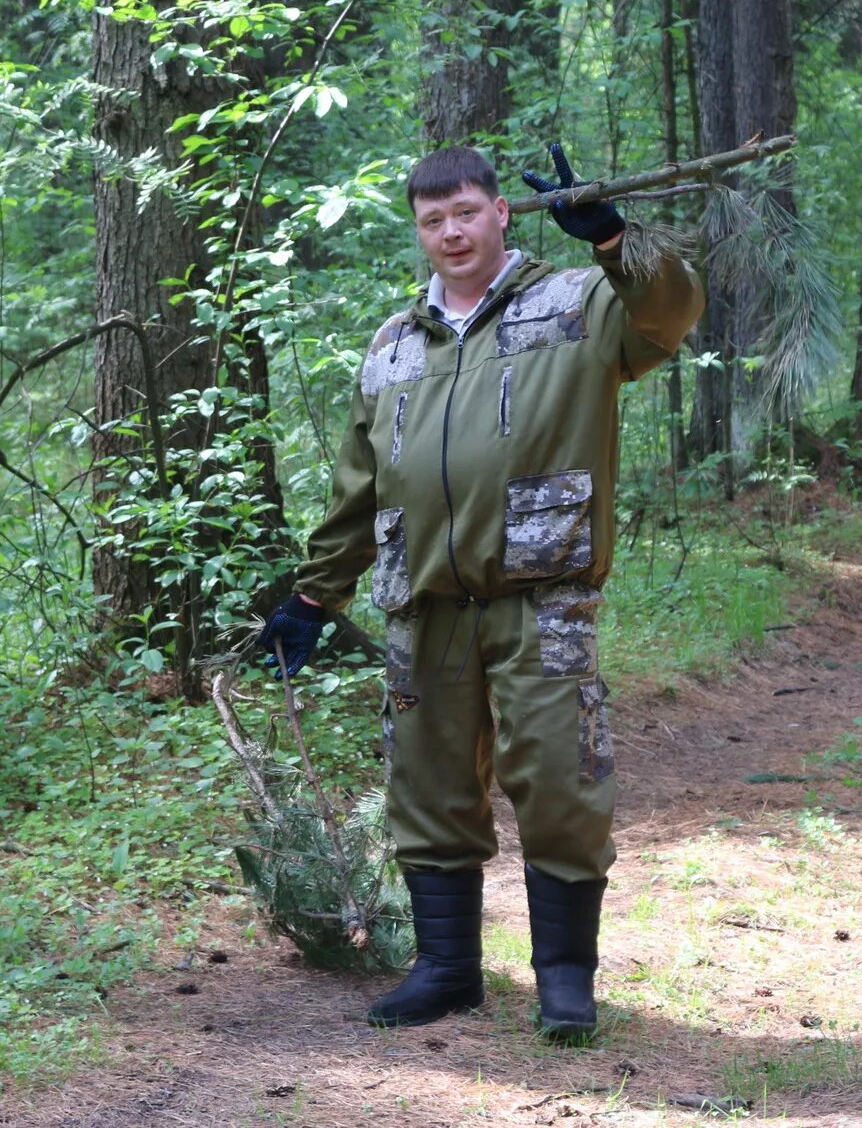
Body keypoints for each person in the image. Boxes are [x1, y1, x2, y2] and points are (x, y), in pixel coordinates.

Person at [258, 144, 702, 1038]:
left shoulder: (577, 305)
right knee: (426, 787)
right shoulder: (393, 346)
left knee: (561, 779)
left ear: (502, 213)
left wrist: (616, 241)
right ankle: (448, 968)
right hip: (423, 607)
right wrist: (313, 597)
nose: (451, 232)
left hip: (543, 594)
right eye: (433, 219)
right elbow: (359, 488)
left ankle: (565, 980)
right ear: (419, 230)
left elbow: (668, 314)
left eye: (466, 212)